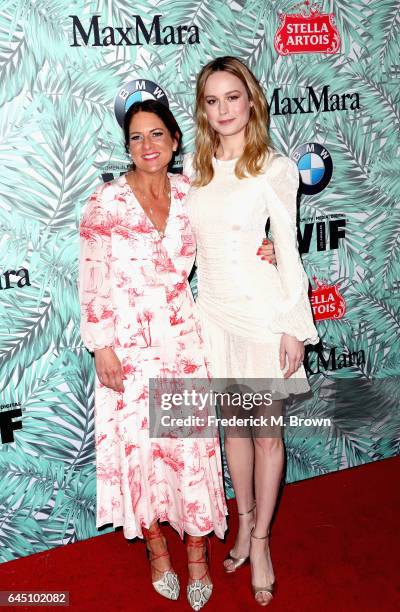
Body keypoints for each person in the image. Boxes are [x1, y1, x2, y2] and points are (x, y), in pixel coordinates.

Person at [78, 98, 274, 611]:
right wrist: (101, 346)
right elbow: (93, 278)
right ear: (127, 146)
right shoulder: (107, 203)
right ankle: (157, 551)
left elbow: (229, 245)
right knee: (140, 451)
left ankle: (195, 554)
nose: (148, 145)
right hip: (128, 348)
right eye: (138, 137)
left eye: (157, 135)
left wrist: (267, 250)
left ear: (174, 141)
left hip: (184, 342)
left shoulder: (193, 194)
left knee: (188, 450)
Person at [184, 57, 319, 607]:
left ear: (252, 101)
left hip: (263, 316)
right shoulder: (194, 169)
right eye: (212, 101)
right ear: (204, 109)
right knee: (233, 434)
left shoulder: (275, 168)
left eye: (232, 98)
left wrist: (292, 324)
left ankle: (261, 542)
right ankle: (242, 524)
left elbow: (285, 249)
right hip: (213, 314)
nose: (223, 110)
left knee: (266, 435)